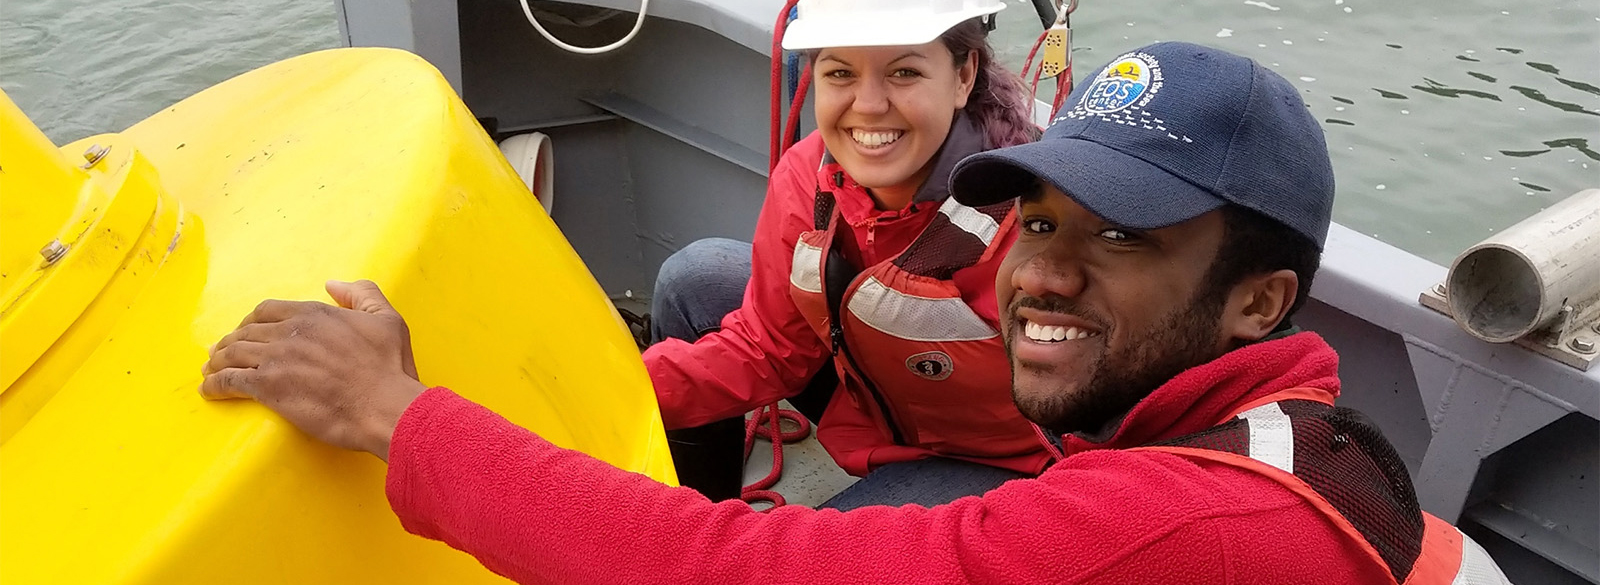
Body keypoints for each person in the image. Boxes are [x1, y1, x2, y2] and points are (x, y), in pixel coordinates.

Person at [199, 42, 1512, 584]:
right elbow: (760, 343)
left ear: (1257, 299)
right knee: (699, 286)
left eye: (1119, 239)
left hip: (954, 485)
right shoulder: (1270, 422)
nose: (1044, 270)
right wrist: (589, 409)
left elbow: (733, 569)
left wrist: (408, 421)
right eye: (1042, 220)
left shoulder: (1163, 520)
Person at [643, 0, 1047, 504]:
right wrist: (607, 391)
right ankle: (694, 520)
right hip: (875, 404)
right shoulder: (806, 177)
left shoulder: (1038, 219)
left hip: (1001, 463)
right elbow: (770, 348)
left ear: (963, 75)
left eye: (904, 71)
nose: (869, 104)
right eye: (840, 72)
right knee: (695, 280)